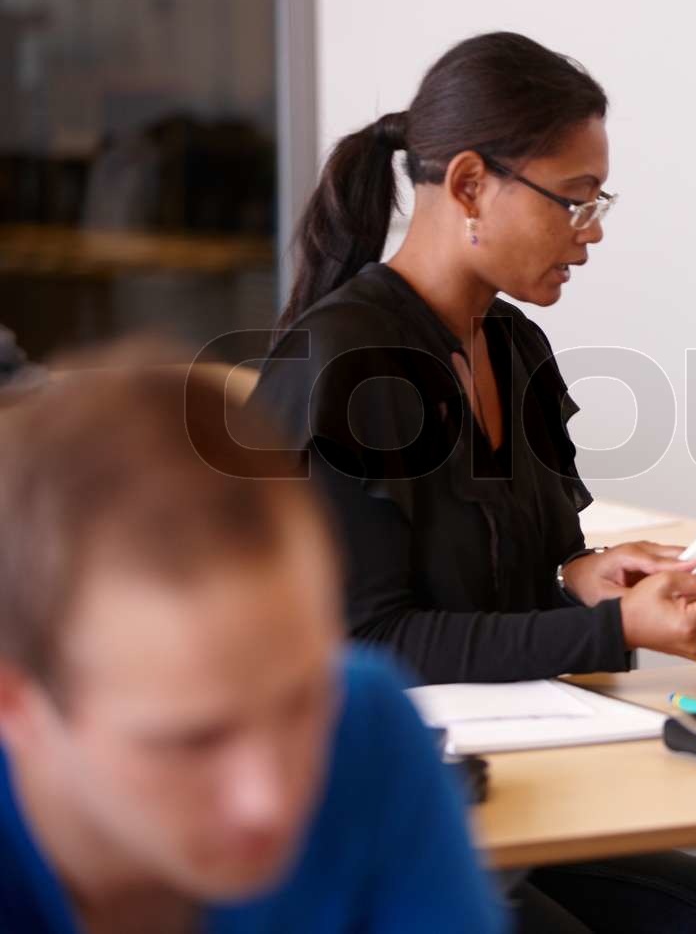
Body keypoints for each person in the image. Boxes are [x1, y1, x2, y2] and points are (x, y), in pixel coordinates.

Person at [250, 31, 696, 934]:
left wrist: (586, 580)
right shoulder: (345, 365)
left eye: (598, 199)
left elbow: (501, 581)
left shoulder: (514, 346)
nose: (594, 229)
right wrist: (611, 627)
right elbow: (373, 646)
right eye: (575, 200)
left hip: (517, 781)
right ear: (469, 185)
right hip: (383, 803)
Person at [0, 357, 502, 932]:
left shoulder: (365, 723)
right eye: (192, 742)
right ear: (17, 706)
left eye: (301, 703)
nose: (267, 802)